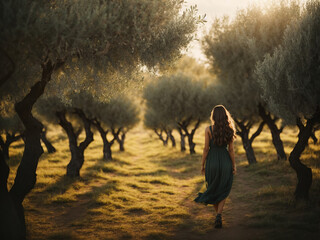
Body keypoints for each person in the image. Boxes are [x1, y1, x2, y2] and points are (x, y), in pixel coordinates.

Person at [194, 105, 236, 228]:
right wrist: (233, 166)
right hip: (225, 162)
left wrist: (202, 164)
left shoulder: (208, 129)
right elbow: (231, 150)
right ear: (225, 116)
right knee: (223, 189)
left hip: (212, 161)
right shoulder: (229, 130)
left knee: (212, 188)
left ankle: (217, 215)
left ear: (213, 116)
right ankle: (219, 215)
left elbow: (206, 149)